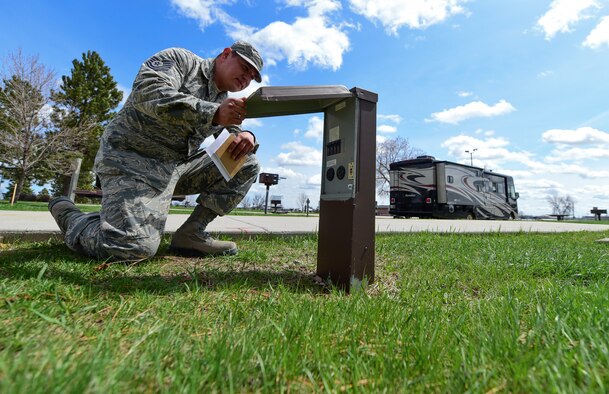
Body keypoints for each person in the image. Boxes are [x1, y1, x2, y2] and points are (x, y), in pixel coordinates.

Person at [48, 41, 263, 260]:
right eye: (245, 68)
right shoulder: (182, 61)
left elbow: (232, 131)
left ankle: (191, 234)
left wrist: (246, 136)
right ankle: (70, 215)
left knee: (246, 162)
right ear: (226, 54)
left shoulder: (221, 99)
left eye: (252, 76)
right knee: (131, 247)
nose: (247, 78)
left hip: (174, 168)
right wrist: (213, 112)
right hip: (130, 161)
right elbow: (149, 93)